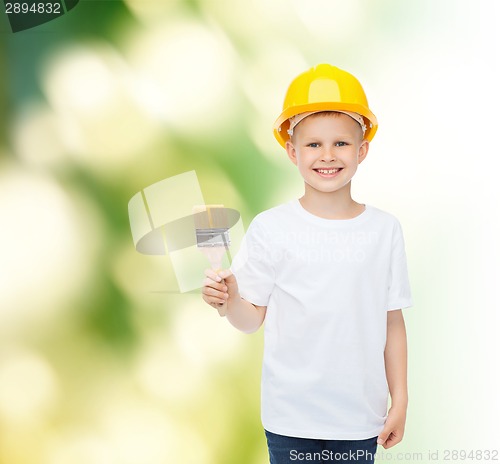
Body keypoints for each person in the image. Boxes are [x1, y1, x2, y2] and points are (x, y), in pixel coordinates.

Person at [201, 64, 412, 464]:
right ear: (291, 151)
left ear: (362, 148)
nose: (327, 156)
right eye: (313, 145)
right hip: (290, 419)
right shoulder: (271, 229)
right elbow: (251, 319)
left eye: (341, 144)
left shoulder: (385, 230)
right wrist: (228, 300)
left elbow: (392, 320)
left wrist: (400, 399)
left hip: (358, 419)